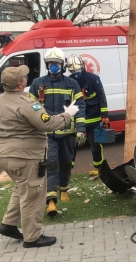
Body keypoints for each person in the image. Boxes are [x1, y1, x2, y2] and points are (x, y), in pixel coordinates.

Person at [0, 65, 79, 247]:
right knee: (33, 195)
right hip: (27, 157)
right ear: (20, 83)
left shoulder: (2, 100)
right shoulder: (26, 103)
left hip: (7, 155)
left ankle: (8, 224)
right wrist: (67, 115)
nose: (26, 77)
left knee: (22, 188)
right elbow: (47, 124)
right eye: (24, 76)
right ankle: (32, 237)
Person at [29, 47, 86, 216]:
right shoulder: (37, 84)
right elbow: (31, 107)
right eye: (50, 63)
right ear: (47, 64)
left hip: (68, 132)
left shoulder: (72, 84)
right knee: (51, 163)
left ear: (62, 65)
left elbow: (80, 107)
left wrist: (81, 130)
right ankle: (51, 201)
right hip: (48, 134)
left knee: (66, 163)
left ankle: (63, 189)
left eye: (56, 63)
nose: (53, 66)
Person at [66, 54, 109, 177]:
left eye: (78, 70)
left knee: (96, 143)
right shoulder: (70, 81)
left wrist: (104, 116)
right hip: (78, 119)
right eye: (73, 71)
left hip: (95, 118)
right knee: (72, 145)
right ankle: (68, 170)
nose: (76, 73)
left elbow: (102, 97)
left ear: (83, 67)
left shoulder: (93, 78)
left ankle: (99, 167)